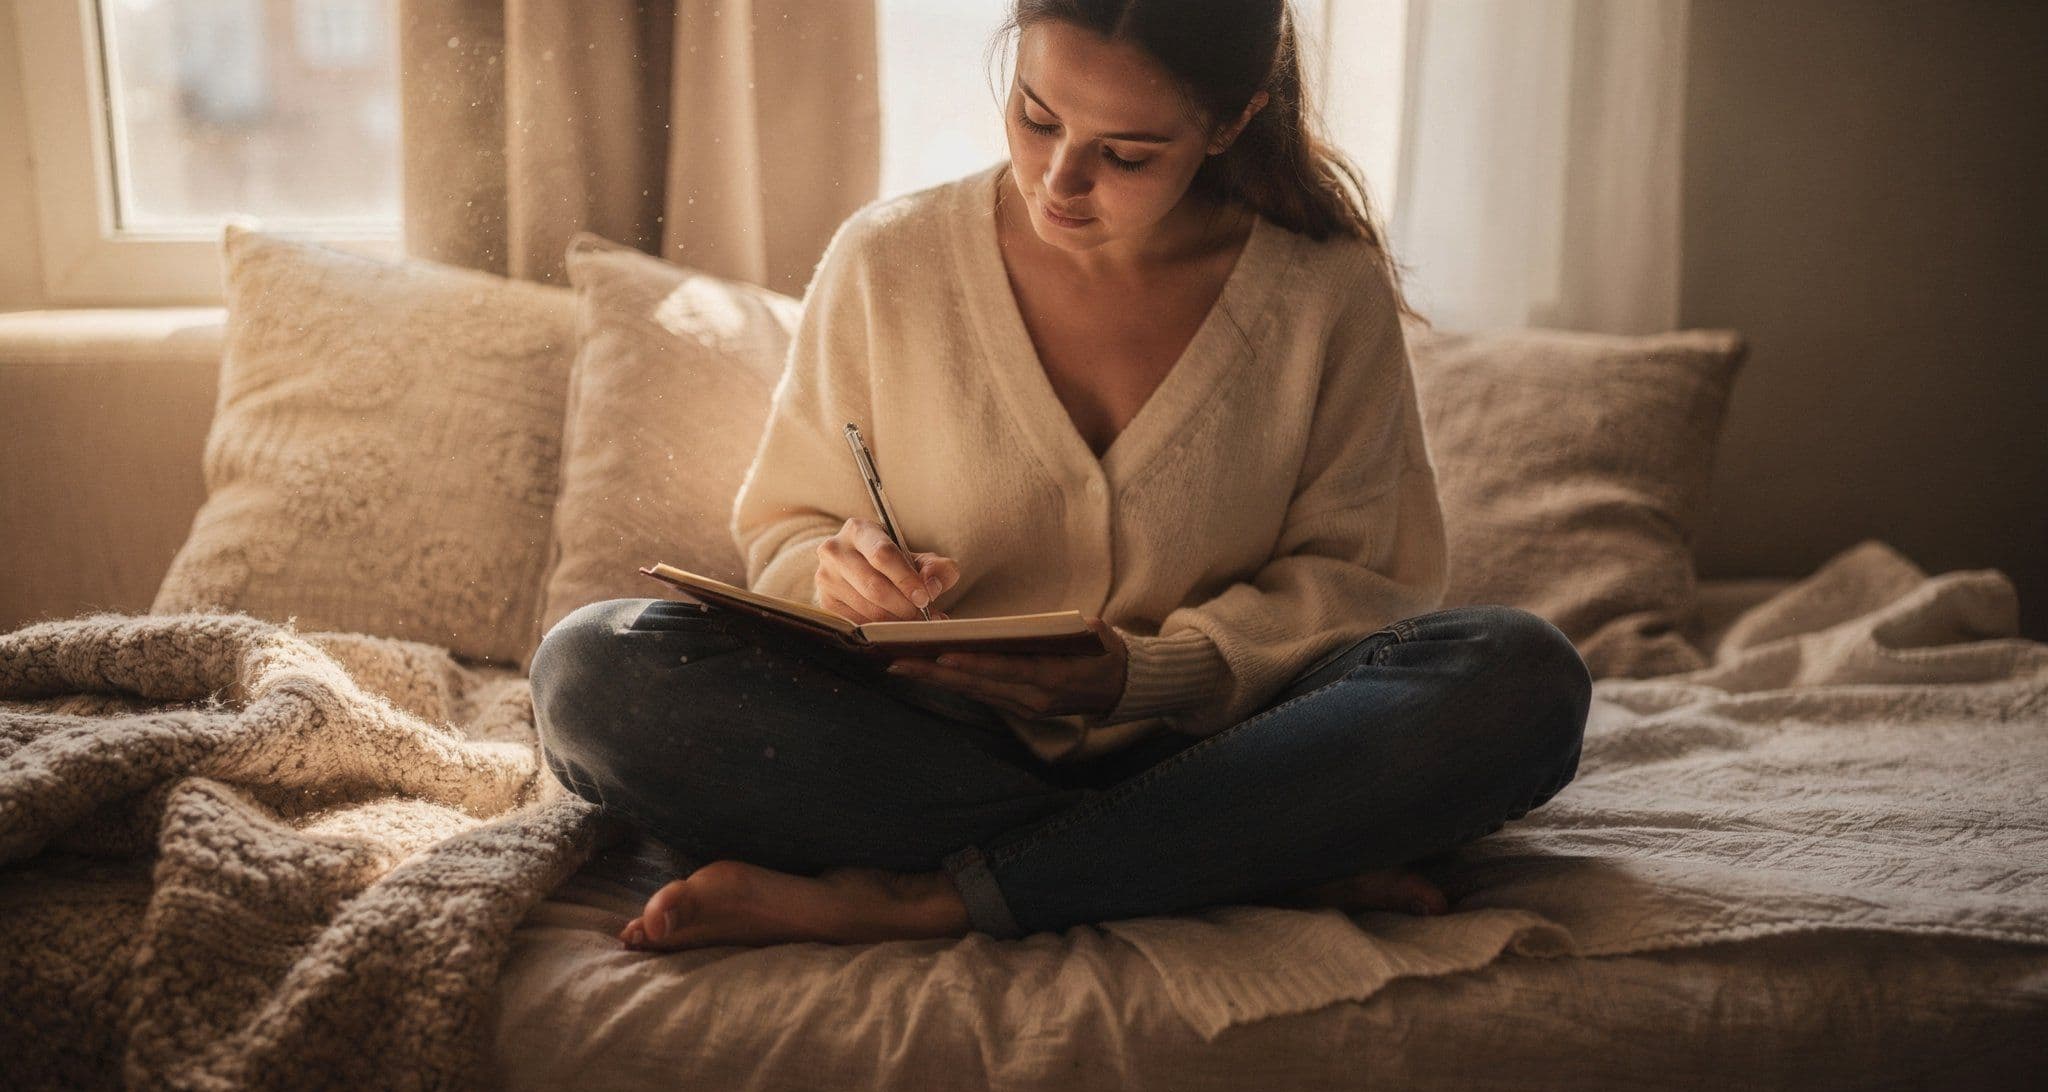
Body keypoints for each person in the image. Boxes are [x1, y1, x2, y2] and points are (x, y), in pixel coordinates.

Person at [529, 0, 1592, 952]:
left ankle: (930, 898)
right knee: (589, 671)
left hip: (1235, 735)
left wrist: (1144, 674)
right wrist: (835, 573)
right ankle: (1249, 852)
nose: (1058, 179)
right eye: (1036, 117)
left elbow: (1368, 579)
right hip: (924, 752)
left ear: (1227, 123)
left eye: (1124, 154)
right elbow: (789, 526)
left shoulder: (1323, 292)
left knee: (1517, 675)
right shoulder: (885, 261)